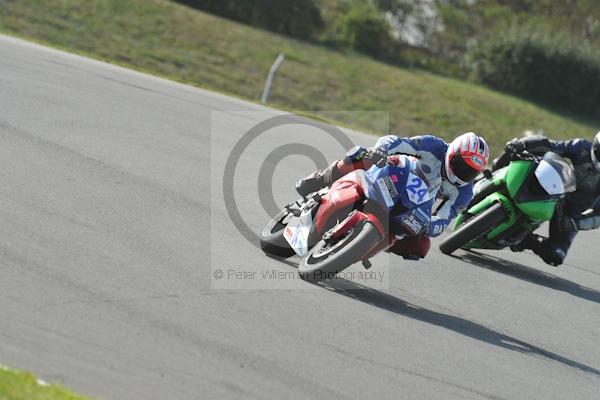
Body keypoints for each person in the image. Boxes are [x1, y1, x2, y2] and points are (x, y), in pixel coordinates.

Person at [296, 132, 490, 259]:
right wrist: (381, 150)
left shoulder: (464, 192)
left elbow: (444, 219)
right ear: (452, 153)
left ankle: (364, 245)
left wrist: (429, 225)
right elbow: (398, 141)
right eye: (461, 164)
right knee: (362, 155)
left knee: (420, 247)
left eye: (470, 172)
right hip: (398, 169)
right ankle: (321, 179)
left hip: (416, 201)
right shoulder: (434, 146)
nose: (463, 172)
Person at [492, 132, 600, 266]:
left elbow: (598, 215)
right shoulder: (581, 147)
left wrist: (576, 223)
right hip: (555, 185)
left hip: (570, 212)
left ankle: (525, 240)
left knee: (556, 254)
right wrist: (523, 143)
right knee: (514, 151)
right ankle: (491, 176)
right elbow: (549, 145)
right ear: (595, 146)